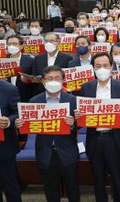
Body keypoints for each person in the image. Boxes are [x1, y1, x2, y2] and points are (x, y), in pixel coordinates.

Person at [15, 65, 80, 202]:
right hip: (45, 152)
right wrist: (19, 125)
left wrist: (73, 123)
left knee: (73, 189)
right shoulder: (34, 101)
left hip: (68, 152)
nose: (53, 81)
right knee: (50, 190)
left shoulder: (72, 100)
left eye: (57, 78)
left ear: (63, 80)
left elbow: (80, 124)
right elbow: (28, 125)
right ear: (43, 81)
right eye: (49, 78)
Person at [76, 53, 120, 202]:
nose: (102, 69)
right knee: (98, 179)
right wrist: (78, 115)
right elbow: (82, 115)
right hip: (95, 139)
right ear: (93, 68)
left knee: (118, 178)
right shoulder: (86, 87)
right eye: (98, 66)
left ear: (111, 67)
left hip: (115, 139)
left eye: (105, 65)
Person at [0, 80, 22, 202]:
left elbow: (18, 112)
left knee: (10, 185)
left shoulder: (8, 88)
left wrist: (8, 121)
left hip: (4, 147)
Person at [6, 35, 35, 102]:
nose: (11, 46)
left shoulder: (30, 61)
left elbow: (35, 78)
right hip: (6, 97)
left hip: (25, 97)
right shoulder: (3, 61)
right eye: (9, 44)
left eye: (15, 44)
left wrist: (28, 80)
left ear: (21, 47)